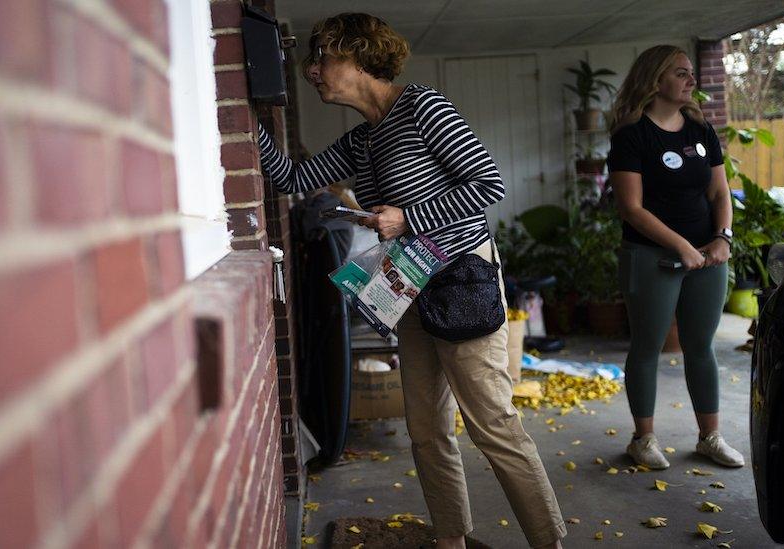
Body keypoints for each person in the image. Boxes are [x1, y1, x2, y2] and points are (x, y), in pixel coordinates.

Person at [256, 12, 565, 549]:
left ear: (358, 57)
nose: (312, 71)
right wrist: (236, 114)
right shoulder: (363, 139)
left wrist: (408, 218)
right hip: (411, 284)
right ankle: (450, 540)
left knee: (493, 426)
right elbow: (289, 177)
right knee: (425, 431)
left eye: (323, 57)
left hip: (461, 279)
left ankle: (548, 540)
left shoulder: (423, 106)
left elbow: (488, 184)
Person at [607, 45, 744, 470]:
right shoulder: (632, 136)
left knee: (701, 347)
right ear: (656, 80)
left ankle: (710, 437)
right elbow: (631, 208)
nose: (691, 81)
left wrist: (722, 238)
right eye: (681, 73)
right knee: (647, 347)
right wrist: (681, 247)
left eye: (691, 73)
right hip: (651, 257)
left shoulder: (701, 132)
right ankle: (643, 439)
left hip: (708, 257)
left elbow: (720, 192)